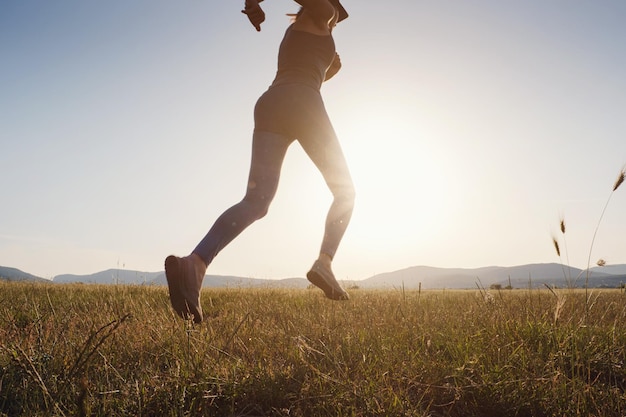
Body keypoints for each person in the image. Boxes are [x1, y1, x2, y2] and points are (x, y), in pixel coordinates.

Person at [165, 0, 354, 323]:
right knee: (345, 191)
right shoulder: (325, 13)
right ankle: (324, 262)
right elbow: (304, 85)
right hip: (302, 103)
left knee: (257, 200)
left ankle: (195, 263)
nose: (337, 18)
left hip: (271, 103)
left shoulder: (297, 31)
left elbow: (303, 73)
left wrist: (327, 71)